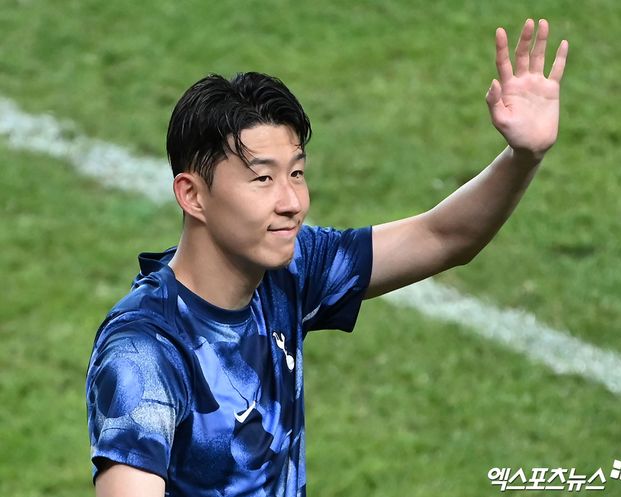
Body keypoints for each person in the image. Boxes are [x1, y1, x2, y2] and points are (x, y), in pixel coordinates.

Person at [86, 18, 568, 497]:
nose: (292, 202)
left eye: (296, 174)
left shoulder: (290, 269)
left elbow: (444, 237)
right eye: (263, 178)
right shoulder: (145, 350)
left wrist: (523, 157)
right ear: (192, 195)